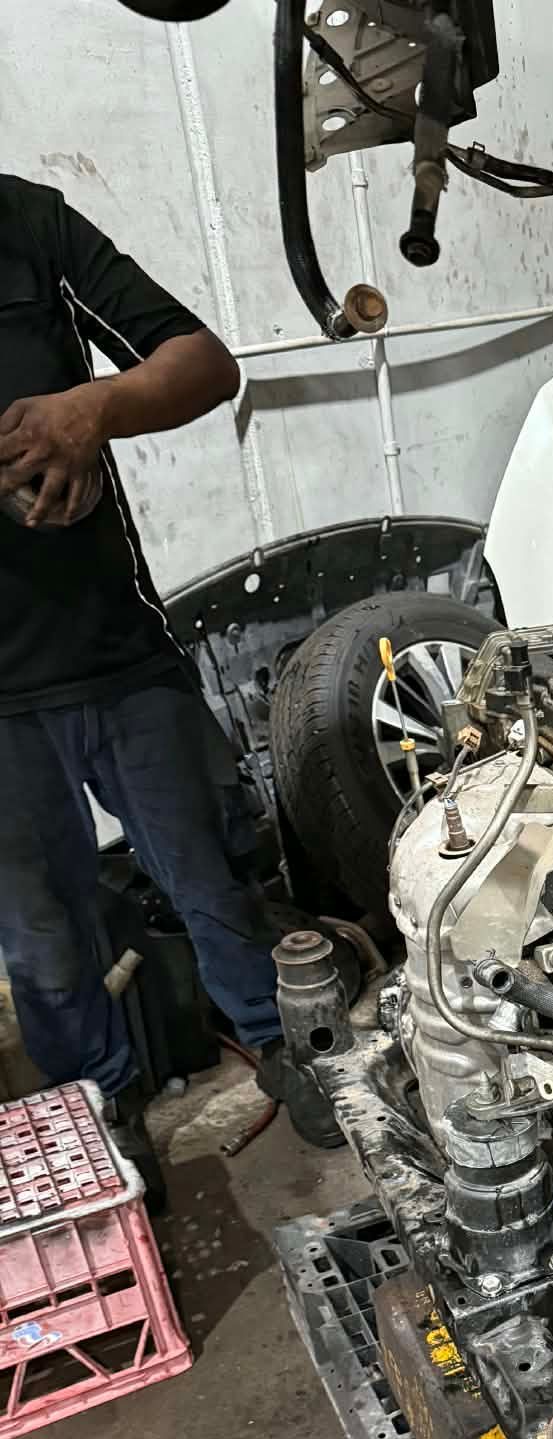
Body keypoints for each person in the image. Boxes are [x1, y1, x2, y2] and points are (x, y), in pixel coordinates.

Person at [0, 172, 295, 1201]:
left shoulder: (27, 222)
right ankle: (104, 1136)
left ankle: (300, 1076)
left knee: (216, 886)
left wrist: (95, 406)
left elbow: (203, 362)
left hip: (119, 656)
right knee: (41, 951)